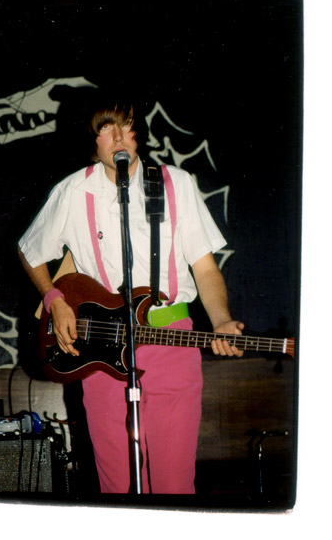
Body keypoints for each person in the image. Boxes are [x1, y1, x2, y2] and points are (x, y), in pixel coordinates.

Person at [18, 93, 244, 494]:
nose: (119, 137)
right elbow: (30, 251)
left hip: (171, 340)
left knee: (174, 485)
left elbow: (205, 268)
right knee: (118, 485)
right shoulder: (72, 191)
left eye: (126, 125)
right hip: (102, 349)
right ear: (93, 140)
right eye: (107, 128)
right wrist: (55, 300)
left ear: (139, 133)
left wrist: (222, 319)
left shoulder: (175, 184)